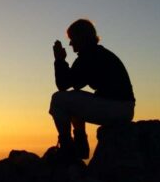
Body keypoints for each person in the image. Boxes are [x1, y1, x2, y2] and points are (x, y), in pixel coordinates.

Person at [49, 19, 135, 162]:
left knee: (58, 99)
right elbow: (73, 84)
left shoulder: (89, 56)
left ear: (81, 37)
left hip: (115, 108)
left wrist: (59, 60)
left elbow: (63, 85)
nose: (70, 44)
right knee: (73, 99)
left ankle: (67, 148)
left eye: (72, 39)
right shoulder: (97, 54)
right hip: (123, 108)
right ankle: (80, 146)